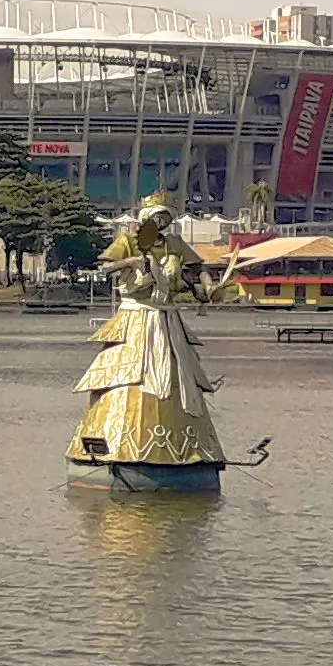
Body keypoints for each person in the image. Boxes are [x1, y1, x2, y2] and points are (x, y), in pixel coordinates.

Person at [68, 193, 225, 474]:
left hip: (166, 318)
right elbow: (104, 267)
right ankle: (118, 447)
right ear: (145, 218)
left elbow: (197, 270)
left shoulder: (174, 243)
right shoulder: (128, 240)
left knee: (176, 379)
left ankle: (188, 450)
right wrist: (130, 263)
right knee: (130, 377)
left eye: (166, 218)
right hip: (137, 317)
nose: (161, 222)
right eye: (157, 217)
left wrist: (206, 287)